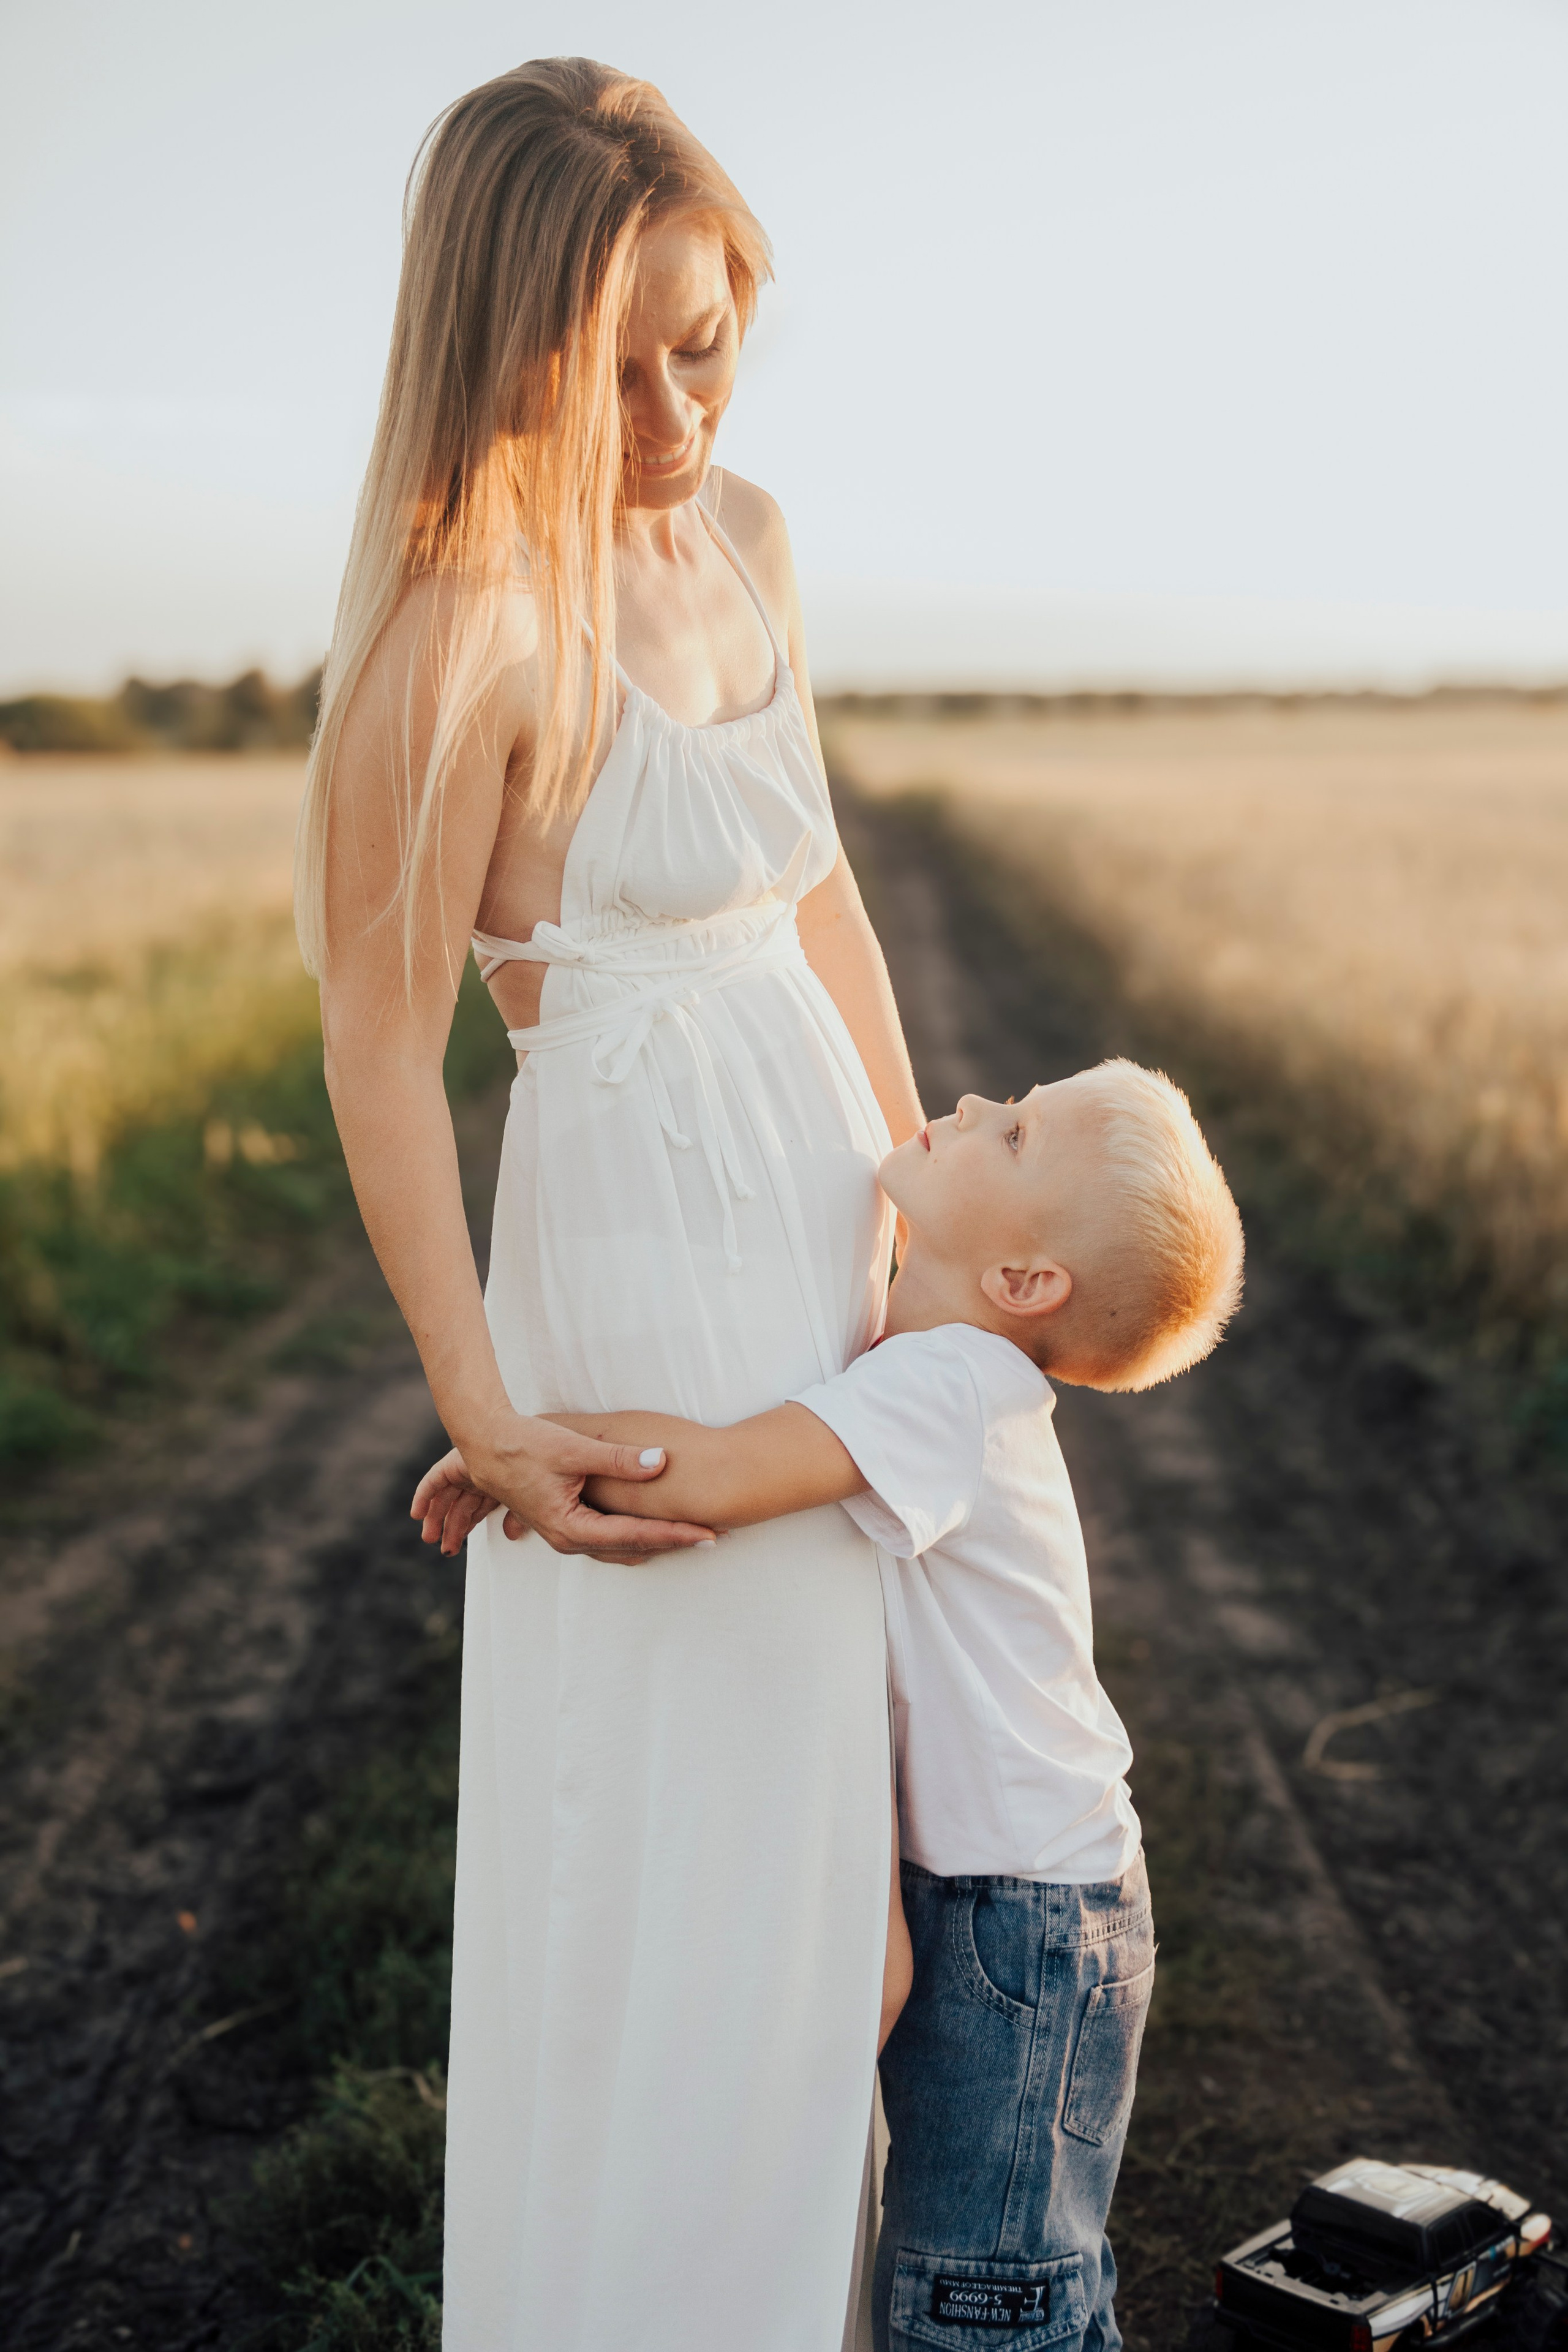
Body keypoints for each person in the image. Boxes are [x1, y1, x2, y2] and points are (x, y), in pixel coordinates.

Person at [296, 58, 924, 2352]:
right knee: (676, 1887)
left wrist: (926, 1224)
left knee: (838, 1889)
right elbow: (382, 1044)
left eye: (708, 337)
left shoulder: (748, 537)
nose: (676, 404)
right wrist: (490, 1409)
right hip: (637, 1314)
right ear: (500, 344)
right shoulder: (464, 621)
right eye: (615, 357)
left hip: (824, 1271)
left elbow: (827, 894)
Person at [416, 1060, 1245, 2352]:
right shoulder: (915, 1362)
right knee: (977, 2273)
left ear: (1025, 1285)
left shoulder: (950, 1385)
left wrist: (516, 1445)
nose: (967, 1105)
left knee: (985, 2300)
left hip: (1024, 1922)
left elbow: (725, 1471)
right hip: (1003, 1898)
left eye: (1012, 1132)